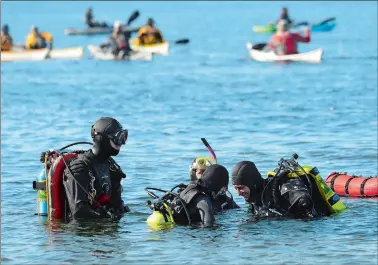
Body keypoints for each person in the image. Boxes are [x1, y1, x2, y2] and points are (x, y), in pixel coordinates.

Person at [61, 117, 129, 221]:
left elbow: (116, 203)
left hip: (103, 230)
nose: (121, 143)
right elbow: (79, 212)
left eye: (124, 137)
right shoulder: (79, 168)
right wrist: (107, 217)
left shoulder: (112, 167)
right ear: (103, 138)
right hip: (81, 234)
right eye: (118, 138)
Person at [232, 160, 342, 218]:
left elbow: (304, 200)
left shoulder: (279, 186)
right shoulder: (257, 198)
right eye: (235, 188)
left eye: (241, 188)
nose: (238, 193)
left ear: (252, 183)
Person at [148, 164, 238, 227]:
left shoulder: (190, 187)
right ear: (216, 184)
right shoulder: (203, 200)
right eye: (222, 188)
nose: (221, 192)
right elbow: (209, 225)